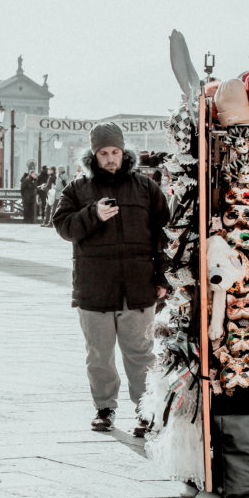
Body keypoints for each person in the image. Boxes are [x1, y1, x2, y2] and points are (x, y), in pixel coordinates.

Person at [52, 122, 170, 437]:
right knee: (99, 355)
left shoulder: (145, 187)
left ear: (123, 151)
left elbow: (165, 234)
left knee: (141, 354)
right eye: (103, 153)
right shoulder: (77, 189)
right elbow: (63, 226)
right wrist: (92, 215)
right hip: (94, 289)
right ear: (94, 154)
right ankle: (104, 409)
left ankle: (146, 412)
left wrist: (162, 277)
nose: (110, 158)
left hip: (138, 287)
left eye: (115, 152)